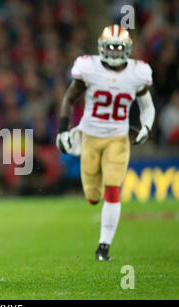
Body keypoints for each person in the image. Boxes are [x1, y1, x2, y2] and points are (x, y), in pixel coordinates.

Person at [56, 25, 155, 261]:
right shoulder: (89, 69)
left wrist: (147, 127)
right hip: (90, 137)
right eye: (109, 46)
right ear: (101, 47)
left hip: (118, 139)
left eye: (118, 47)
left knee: (112, 188)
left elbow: (147, 106)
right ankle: (101, 230)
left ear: (127, 49)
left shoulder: (137, 73)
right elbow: (69, 98)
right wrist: (62, 129)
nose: (113, 51)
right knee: (92, 196)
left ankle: (103, 246)